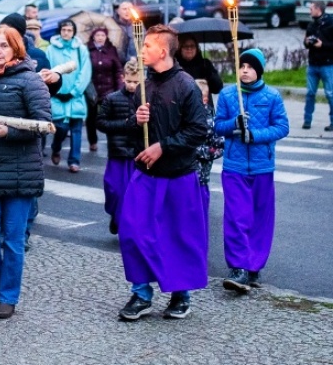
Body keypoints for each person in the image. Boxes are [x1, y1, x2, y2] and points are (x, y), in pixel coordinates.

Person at [117, 25, 208, 322]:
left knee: (177, 236)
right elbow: (133, 131)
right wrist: (135, 119)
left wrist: (163, 147)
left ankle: (181, 294)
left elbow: (198, 130)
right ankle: (142, 293)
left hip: (178, 175)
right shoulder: (145, 84)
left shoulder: (186, 85)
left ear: (163, 51)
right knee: (132, 232)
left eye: (146, 47)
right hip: (145, 175)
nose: (141, 51)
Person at [0, 26, 51, 319]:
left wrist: (10, 132)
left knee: (13, 239)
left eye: (4, 46)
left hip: (20, 170)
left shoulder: (31, 81)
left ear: (16, 48)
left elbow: (43, 124)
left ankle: (8, 296)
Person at [214, 48, 289, 293]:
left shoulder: (272, 96)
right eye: (241, 66)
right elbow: (218, 126)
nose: (244, 71)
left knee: (260, 219)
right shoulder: (227, 95)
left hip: (262, 167)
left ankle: (253, 267)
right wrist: (234, 126)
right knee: (236, 217)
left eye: (250, 67)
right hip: (234, 167)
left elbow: (282, 127)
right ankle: (237, 268)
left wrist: (255, 135)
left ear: (259, 70)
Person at [96, 60, 140, 235]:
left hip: (137, 152)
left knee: (131, 194)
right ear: (123, 78)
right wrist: (125, 124)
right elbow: (100, 122)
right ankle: (115, 215)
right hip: (118, 152)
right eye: (129, 81)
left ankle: (125, 225)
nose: (132, 85)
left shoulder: (145, 98)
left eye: (136, 82)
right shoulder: (112, 98)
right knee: (114, 189)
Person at [47, 19, 91, 173]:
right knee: (60, 127)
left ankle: (74, 161)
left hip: (75, 97)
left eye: (69, 30)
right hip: (57, 96)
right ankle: (56, 148)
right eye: (64, 29)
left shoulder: (81, 49)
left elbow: (85, 72)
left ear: (74, 32)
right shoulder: (51, 49)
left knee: (77, 130)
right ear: (60, 31)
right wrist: (56, 90)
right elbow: (49, 71)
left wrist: (74, 91)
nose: (66, 33)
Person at [86, 26, 123, 152]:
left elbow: (118, 70)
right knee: (91, 117)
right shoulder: (87, 50)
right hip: (92, 90)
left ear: (106, 37)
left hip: (109, 90)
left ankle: (111, 141)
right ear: (93, 37)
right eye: (97, 35)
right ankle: (92, 141)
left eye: (103, 35)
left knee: (109, 117)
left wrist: (119, 88)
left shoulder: (111, 50)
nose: (100, 38)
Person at [194, 79, 224, 213]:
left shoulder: (211, 122)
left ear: (205, 100)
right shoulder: (183, 117)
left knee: (200, 211)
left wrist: (200, 152)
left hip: (201, 177)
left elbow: (220, 146)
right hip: (184, 176)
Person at [303, 0, 333, 131]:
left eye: (311, 9)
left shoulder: (330, 23)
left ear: (318, 9)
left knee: (330, 94)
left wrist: (323, 45)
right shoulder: (311, 25)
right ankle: (307, 120)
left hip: (327, 64)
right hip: (313, 64)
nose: (310, 12)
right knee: (310, 93)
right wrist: (307, 42)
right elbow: (306, 43)